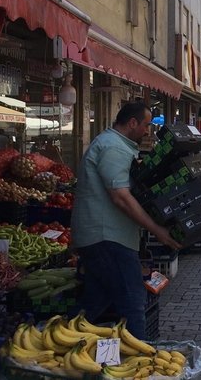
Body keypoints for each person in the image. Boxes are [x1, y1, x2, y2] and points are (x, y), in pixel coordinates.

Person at [71, 102, 182, 339]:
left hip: (104, 237)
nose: (147, 131)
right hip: (107, 238)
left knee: (97, 300)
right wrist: (156, 229)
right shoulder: (113, 147)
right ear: (132, 123)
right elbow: (120, 197)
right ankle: (138, 355)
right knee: (132, 300)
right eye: (146, 125)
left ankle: (60, 339)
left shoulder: (115, 144)